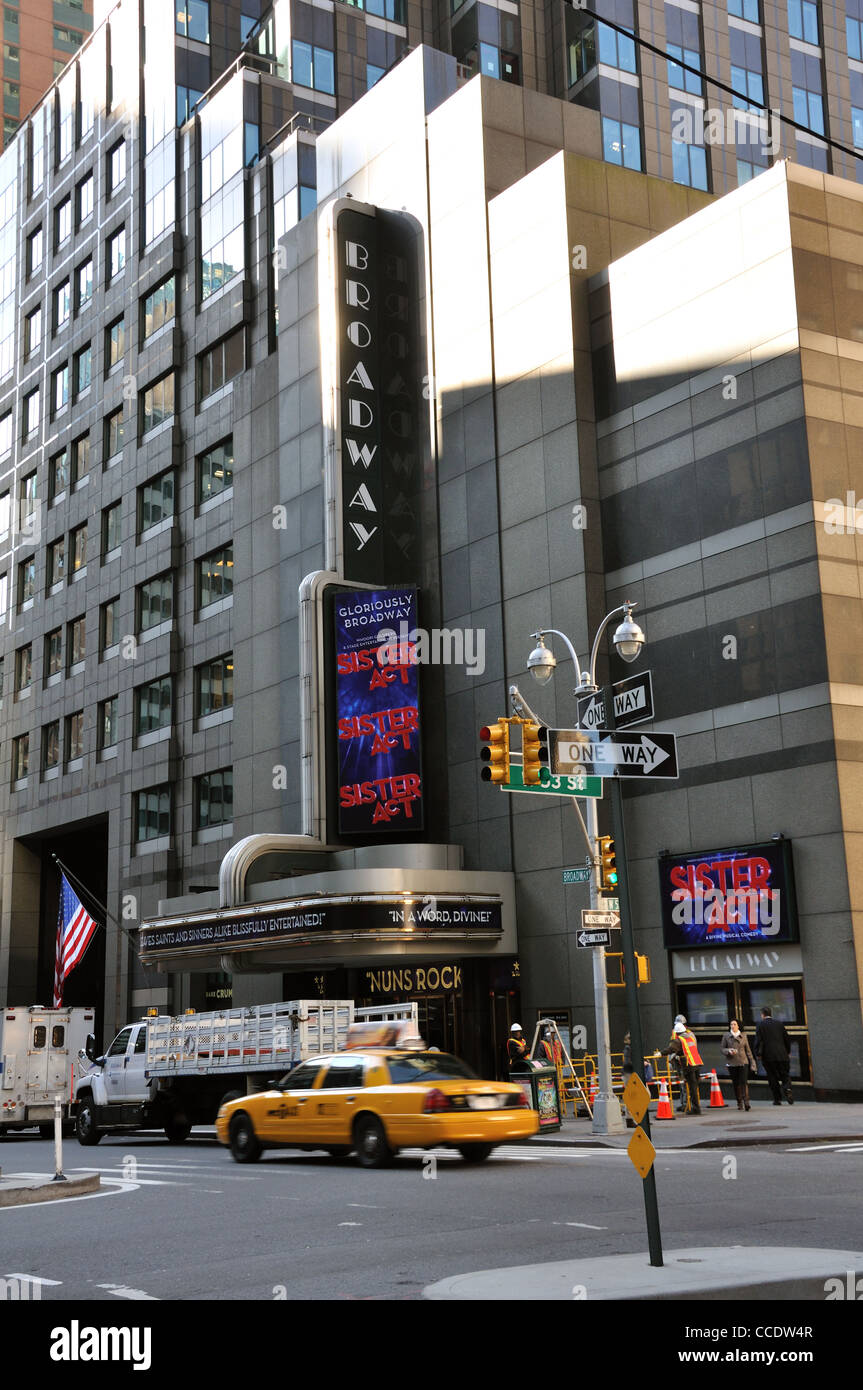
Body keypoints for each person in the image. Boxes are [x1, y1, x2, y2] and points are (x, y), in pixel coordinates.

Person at [660, 1020, 703, 1114]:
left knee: (692, 1088)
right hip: (696, 1064)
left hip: (689, 1066)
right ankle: (695, 1107)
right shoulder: (690, 1038)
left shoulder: (679, 1040)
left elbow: (671, 1049)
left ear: (677, 1032)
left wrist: (660, 1053)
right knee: (694, 1088)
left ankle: (696, 1109)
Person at [754, 1007, 793, 1105]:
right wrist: (788, 1051)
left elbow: (758, 1041)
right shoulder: (779, 1023)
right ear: (771, 1014)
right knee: (785, 1075)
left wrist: (757, 1054)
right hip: (782, 1055)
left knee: (772, 1077)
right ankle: (787, 1088)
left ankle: (777, 1099)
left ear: (762, 1014)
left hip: (768, 1056)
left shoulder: (760, 1025)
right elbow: (786, 1039)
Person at [720, 1019, 756, 1111]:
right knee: (736, 1083)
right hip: (732, 1063)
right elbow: (722, 1049)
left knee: (744, 1082)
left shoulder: (743, 1036)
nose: (732, 1026)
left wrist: (752, 1062)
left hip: (743, 1062)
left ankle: (746, 1102)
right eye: (731, 1024)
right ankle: (739, 1102)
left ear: (738, 1026)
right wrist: (728, 1051)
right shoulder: (726, 1036)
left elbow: (748, 1050)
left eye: (734, 1024)